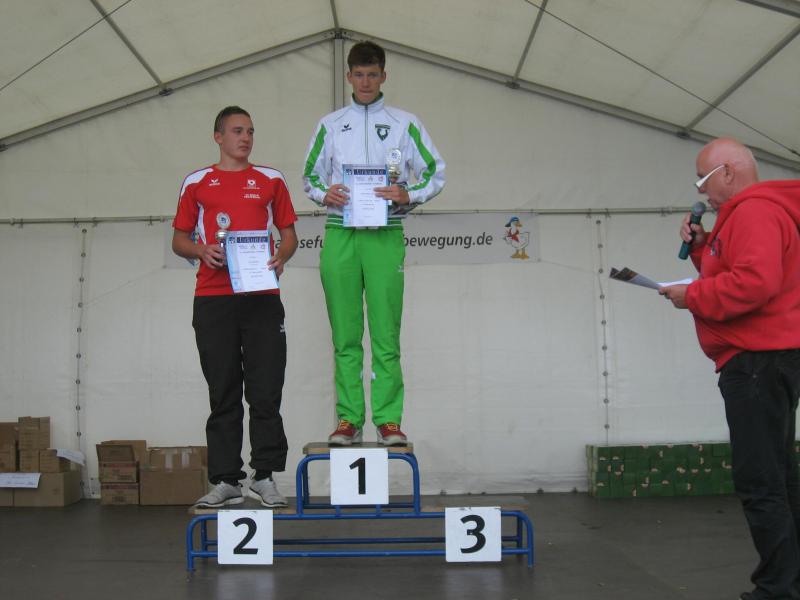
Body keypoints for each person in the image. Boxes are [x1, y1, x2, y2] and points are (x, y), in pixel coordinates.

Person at [660, 137, 800, 600]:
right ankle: (787, 582)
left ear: (727, 172)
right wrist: (703, 250)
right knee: (778, 476)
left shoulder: (753, 212)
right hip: (770, 359)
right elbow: (744, 273)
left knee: (761, 481)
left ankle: (777, 589)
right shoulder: (752, 214)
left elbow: (756, 283)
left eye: (702, 179)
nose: (701, 190)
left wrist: (692, 295)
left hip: (756, 361)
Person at [303, 41, 445, 446]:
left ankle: (388, 420)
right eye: (359, 74)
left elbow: (435, 171)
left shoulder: (404, 123)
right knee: (345, 336)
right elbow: (309, 176)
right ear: (349, 76)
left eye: (372, 74)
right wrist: (324, 194)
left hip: (385, 233)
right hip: (341, 232)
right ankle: (349, 419)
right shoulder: (330, 124)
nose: (365, 82)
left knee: (385, 333)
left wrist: (408, 193)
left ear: (384, 76)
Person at [172, 106, 298, 508]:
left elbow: (289, 235)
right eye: (238, 131)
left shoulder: (271, 179)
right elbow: (178, 240)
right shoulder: (196, 182)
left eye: (250, 131)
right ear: (218, 136)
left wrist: (282, 256)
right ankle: (226, 480)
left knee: (265, 390)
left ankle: (265, 476)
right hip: (213, 299)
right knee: (223, 391)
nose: (246, 138)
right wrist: (200, 250)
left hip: (262, 298)